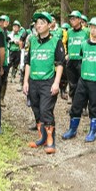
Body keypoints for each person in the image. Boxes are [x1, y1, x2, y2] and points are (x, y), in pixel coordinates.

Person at [61, 17, 96, 142]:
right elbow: (82, 57)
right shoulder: (84, 44)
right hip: (83, 80)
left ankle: (92, 131)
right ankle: (72, 130)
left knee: (94, 106)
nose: (93, 30)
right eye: (91, 27)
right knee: (76, 105)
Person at [24, 12, 65, 154]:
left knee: (46, 110)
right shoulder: (33, 41)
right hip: (33, 81)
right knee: (36, 109)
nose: (38, 25)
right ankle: (41, 137)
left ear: (49, 25)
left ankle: (50, 140)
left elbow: (60, 63)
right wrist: (25, 81)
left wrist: (56, 83)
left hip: (48, 81)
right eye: (37, 23)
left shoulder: (56, 41)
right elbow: (28, 62)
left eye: (42, 22)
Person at [66, 11, 89, 103]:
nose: (72, 21)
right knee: (72, 83)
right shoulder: (69, 32)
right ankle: (74, 104)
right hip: (71, 60)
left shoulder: (86, 31)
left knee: (83, 84)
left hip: (81, 60)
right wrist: (67, 54)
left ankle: (84, 105)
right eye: (71, 19)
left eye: (74, 18)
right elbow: (68, 44)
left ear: (79, 20)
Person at [0, 15, 11, 106]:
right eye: (1, 21)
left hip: (6, 59)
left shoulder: (8, 33)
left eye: (5, 21)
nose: (3, 23)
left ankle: (1, 98)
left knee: (4, 80)